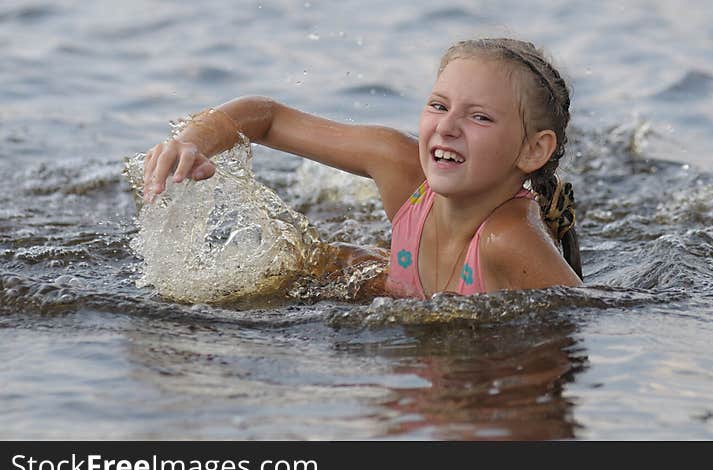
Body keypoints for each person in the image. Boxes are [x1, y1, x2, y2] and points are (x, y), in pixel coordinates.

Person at [142, 38, 583, 298]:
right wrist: (191, 143)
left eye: (479, 117)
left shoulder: (506, 240)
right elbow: (268, 117)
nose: (446, 128)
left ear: (532, 151)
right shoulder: (403, 169)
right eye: (438, 105)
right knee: (315, 264)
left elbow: (572, 332)